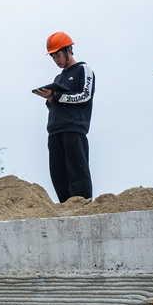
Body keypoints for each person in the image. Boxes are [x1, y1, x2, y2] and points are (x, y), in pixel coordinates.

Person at [33, 32, 95, 202]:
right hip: (54, 131)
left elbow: (85, 95)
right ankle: (66, 208)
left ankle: (84, 207)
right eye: (53, 57)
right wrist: (50, 98)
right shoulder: (58, 78)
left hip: (74, 129)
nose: (56, 60)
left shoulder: (84, 69)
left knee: (78, 173)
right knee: (58, 175)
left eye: (58, 55)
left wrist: (57, 95)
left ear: (69, 50)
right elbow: (57, 104)